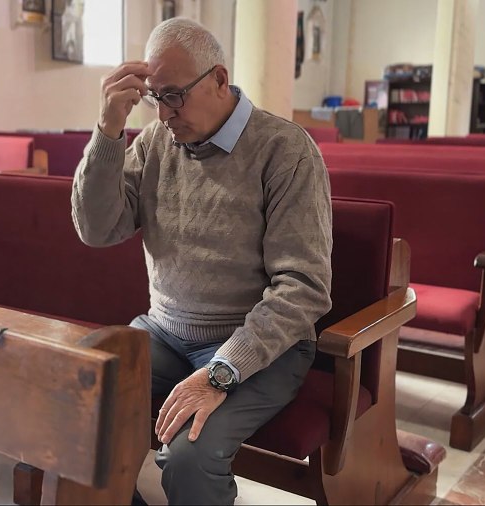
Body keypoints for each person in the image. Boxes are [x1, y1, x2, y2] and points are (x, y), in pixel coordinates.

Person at [71, 17, 332, 505]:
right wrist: (108, 130)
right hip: (164, 332)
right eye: (155, 97)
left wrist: (221, 371)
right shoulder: (152, 143)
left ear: (218, 78)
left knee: (189, 455)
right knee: (73, 402)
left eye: (174, 95)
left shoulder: (284, 149)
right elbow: (97, 229)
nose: (165, 113)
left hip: (258, 344)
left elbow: (303, 286)